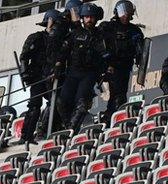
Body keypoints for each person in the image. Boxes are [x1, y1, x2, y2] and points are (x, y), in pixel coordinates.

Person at [55, 2, 109, 134]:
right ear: (83, 18)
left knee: (81, 103)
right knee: (61, 101)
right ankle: (68, 125)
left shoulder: (100, 35)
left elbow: (105, 55)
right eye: (86, 17)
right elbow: (63, 52)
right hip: (73, 72)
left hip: (89, 73)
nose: (89, 19)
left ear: (96, 18)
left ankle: (71, 129)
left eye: (91, 17)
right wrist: (57, 66)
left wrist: (105, 70)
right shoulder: (75, 33)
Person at [19, 9, 67, 144]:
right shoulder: (37, 37)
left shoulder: (60, 40)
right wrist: (25, 73)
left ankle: (45, 130)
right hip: (37, 76)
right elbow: (24, 57)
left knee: (56, 102)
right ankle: (26, 136)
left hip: (52, 77)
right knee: (34, 106)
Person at [99, 0, 145, 124]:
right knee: (117, 95)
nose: (125, 15)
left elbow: (141, 51)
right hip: (109, 65)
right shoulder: (107, 27)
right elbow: (99, 45)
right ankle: (110, 119)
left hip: (124, 67)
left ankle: (111, 119)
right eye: (123, 12)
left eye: (128, 13)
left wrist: (138, 46)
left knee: (119, 95)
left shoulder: (134, 30)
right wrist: (106, 63)